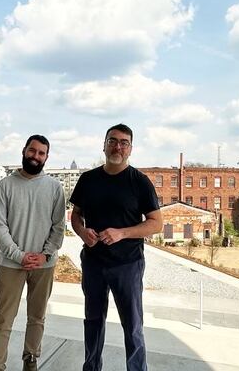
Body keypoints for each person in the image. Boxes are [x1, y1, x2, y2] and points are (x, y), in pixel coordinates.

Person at [70, 124, 162, 371]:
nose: (117, 146)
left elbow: (156, 223)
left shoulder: (140, 182)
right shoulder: (88, 180)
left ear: (131, 149)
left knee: (132, 326)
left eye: (124, 142)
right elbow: (75, 215)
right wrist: (82, 232)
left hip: (128, 265)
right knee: (93, 321)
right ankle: (91, 367)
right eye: (112, 141)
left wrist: (122, 233)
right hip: (93, 263)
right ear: (104, 144)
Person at [0, 134, 66, 371]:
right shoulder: (5, 185)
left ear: (46, 157)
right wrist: (18, 255)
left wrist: (45, 254)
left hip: (43, 265)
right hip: (12, 265)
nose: (36, 156)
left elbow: (59, 226)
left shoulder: (54, 188)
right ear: (24, 151)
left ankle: (30, 359)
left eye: (41, 153)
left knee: (37, 317)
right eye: (32, 151)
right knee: (3, 319)